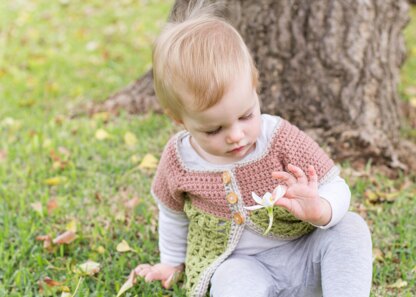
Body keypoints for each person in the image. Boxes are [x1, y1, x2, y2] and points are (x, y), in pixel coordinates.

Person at [130, 7, 372, 297]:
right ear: (180, 120)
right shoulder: (179, 160)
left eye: (246, 116)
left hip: (306, 258)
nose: (235, 136)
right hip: (245, 267)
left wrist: (321, 209)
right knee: (231, 277)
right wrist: (170, 263)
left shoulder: (279, 137)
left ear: (255, 88)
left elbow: (336, 185)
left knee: (351, 228)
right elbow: (172, 213)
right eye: (213, 130)